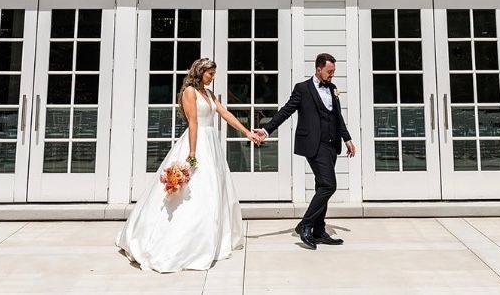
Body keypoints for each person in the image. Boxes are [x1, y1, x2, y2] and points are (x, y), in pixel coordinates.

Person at [116, 58, 264, 273]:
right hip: (197, 142)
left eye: (214, 73)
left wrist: (248, 132)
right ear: (200, 72)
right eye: (210, 73)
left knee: (214, 189)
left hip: (211, 144)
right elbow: (193, 123)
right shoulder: (190, 92)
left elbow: (225, 114)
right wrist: (192, 153)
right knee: (193, 191)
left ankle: (213, 237)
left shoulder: (209, 93)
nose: (213, 77)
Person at [254, 53, 356, 250]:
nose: (332, 75)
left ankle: (319, 230)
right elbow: (286, 110)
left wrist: (347, 138)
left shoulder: (333, 88)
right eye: (329, 71)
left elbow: (337, 117)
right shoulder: (302, 89)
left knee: (321, 187)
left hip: (331, 144)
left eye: (333, 72)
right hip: (313, 145)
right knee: (329, 185)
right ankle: (306, 225)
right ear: (318, 69)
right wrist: (267, 130)